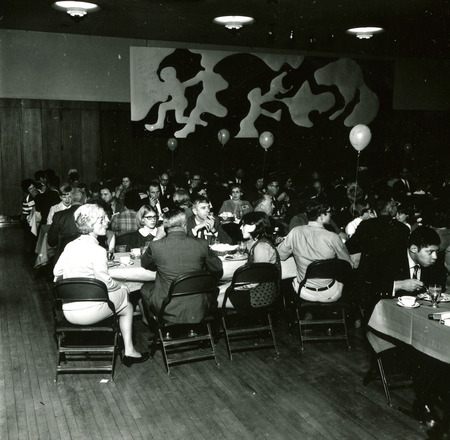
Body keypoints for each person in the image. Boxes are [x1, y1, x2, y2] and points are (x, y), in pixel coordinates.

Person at [53, 204, 149, 367]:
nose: (107, 222)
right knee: (127, 304)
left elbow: (57, 272)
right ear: (91, 224)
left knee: (121, 295)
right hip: (91, 312)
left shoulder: (70, 246)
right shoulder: (97, 250)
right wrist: (122, 286)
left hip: (69, 311)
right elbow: (106, 284)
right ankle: (129, 351)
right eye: (102, 219)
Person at [140, 209, 223, 324]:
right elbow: (218, 269)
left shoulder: (156, 246)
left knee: (144, 288)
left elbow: (145, 263)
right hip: (199, 305)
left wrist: (157, 238)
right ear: (185, 225)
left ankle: (153, 322)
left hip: (167, 307)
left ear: (165, 227)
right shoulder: (202, 244)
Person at [277, 200, 353, 302]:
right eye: (329, 212)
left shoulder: (295, 232)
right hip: (330, 293)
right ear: (321, 216)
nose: (331, 215)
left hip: (303, 291)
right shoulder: (332, 237)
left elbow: (281, 255)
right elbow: (348, 265)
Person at [217, 212, 280, 307]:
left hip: (259, 295)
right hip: (253, 289)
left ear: (254, 225)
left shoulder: (262, 247)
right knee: (215, 293)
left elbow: (254, 281)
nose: (240, 228)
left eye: (243, 224)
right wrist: (224, 287)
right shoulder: (257, 242)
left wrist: (229, 287)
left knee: (211, 300)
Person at [48, 187, 87, 264]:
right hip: (86, 256)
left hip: (64, 257)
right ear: (85, 199)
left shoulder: (59, 216)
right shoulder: (91, 214)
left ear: (71, 199)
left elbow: (51, 241)